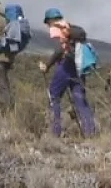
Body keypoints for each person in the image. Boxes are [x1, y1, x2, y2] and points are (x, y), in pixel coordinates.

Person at [38, 8, 97, 138]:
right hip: (78, 66)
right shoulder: (70, 27)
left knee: (54, 96)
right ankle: (90, 132)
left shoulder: (57, 27)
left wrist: (47, 65)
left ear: (51, 20)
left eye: (47, 22)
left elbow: (60, 49)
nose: (48, 25)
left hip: (66, 65)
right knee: (80, 99)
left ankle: (55, 132)